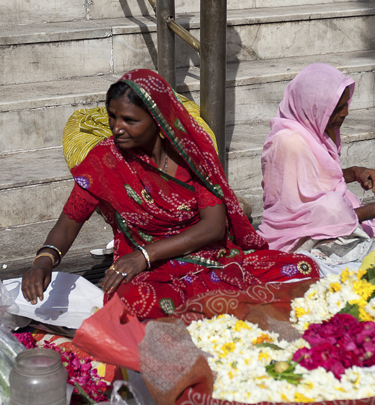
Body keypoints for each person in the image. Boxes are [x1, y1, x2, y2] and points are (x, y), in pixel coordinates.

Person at [22, 69, 319, 319]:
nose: (116, 128)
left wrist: (145, 255)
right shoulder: (104, 161)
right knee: (137, 304)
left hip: (202, 254)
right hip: (140, 269)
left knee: (296, 271)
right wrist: (43, 261)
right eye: (112, 117)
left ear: (158, 119)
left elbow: (213, 226)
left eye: (129, 120)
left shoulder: (193, 155)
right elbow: (69, 221)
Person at [257, 63, 375, 266]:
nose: (345, 113)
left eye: (345, 105)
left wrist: (354, 173)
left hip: (331, 219)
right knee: (336, 207)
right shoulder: (289, 143)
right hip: (296, 234)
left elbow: (314, 181)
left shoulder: (311, 130)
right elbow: (303, 210)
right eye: (337, 109)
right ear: (312, 107)